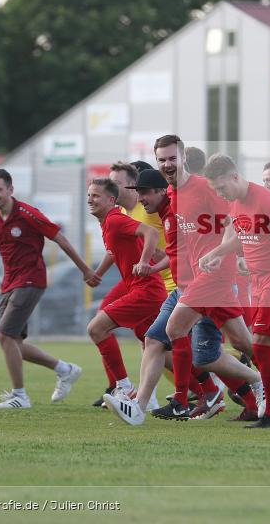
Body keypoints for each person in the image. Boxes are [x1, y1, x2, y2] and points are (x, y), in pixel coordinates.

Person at [150, 135, 265, 423]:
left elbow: (232, 221)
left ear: (184, 156)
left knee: (170, 332)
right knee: (237, 343)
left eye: (172, 158)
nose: (167, 164)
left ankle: (178, 400)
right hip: (196, 281)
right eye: (161, 159)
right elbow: (190, 241)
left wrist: (224, 253)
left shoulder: (203, 188)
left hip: (213, 277)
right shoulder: (174, 194)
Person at [0, 168, 95, 409]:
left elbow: (60, 238)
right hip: (9, 283)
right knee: (13, 343)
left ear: (10, 190)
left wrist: (85, 270)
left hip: (31, 279)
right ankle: (65, 369)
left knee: (3, 335)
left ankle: (20, 396)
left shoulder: (27, 214)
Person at [201, 154, 270, 427]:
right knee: (265, 348)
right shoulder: (236, 203)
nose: (220, 194)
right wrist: (220, 253)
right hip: (257, 282)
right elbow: (242, 237)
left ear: (235, 177)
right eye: (215, 190)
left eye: (222, 187)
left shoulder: (266, 201)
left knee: (261, 346)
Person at [90, 162, 178, 408]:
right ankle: (203, 388)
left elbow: (154, 236)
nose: (90, 200)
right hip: (148, 283)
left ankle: (124, 388)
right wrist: (97, 273)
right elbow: (118, 250)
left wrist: (146, 262)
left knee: (98, 328)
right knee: (155, 343)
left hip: (159, 284)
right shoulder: (118, 218)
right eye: (89, 196)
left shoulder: (136, 212)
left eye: (118, 184)